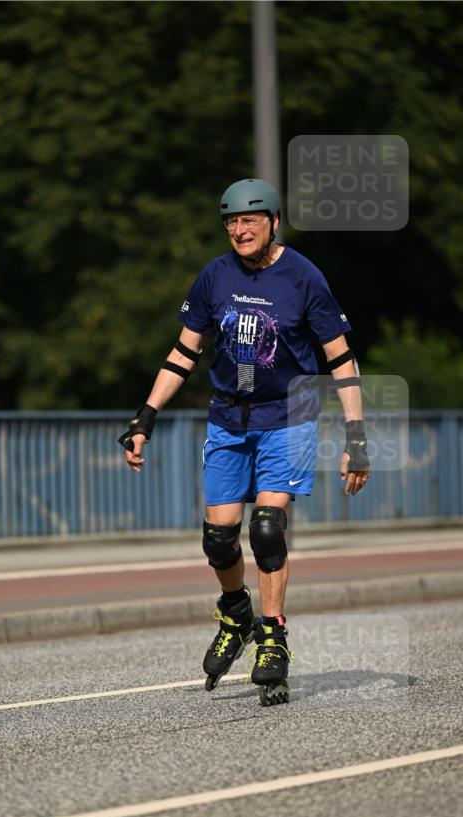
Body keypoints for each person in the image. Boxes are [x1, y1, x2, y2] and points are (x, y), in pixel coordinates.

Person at [119, 178, 370, 706]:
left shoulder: (304, 277)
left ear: (273, 221)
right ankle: (236, 613)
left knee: (267, 528)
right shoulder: (215, 275)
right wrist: (145, 416)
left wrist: (356, 435)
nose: (239, 229)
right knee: (218, 539)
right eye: (231, 221)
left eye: (249, 220)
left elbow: (341, 358)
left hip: (290, 414)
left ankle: (273, 637)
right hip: (228, 419)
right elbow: (183, 353)